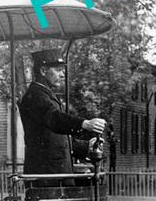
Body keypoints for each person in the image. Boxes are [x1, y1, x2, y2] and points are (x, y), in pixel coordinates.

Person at [19, 50, 106, 180]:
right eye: (58, 70)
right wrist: (85, 124)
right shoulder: (36, 96)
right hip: (46, 176)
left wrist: (85, 146)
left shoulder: (45, 95)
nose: (63, 74)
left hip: (54, 173)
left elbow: (56, 139)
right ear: (43, 71)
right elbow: (54, 118)